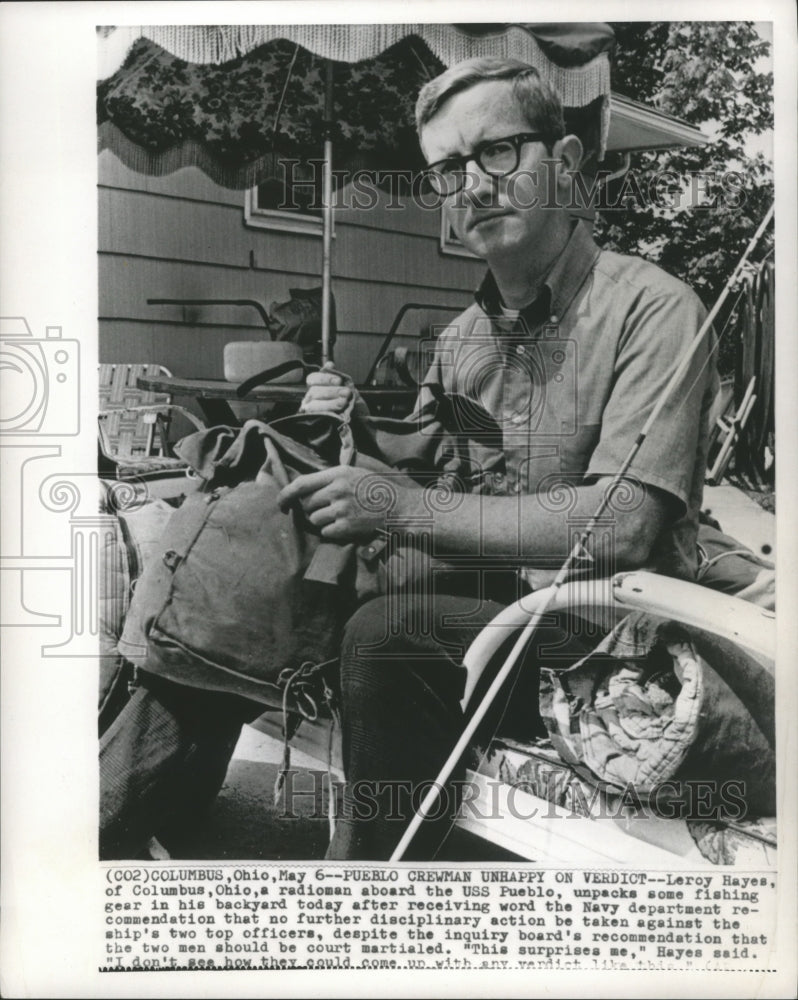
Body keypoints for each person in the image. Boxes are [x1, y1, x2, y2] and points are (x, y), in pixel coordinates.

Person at [100, 56, 717, 862]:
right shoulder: (463, 338)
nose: (474, 184)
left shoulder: (653, 307)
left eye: (499, 151)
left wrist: (397, 506)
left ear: (564, 166)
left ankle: (368, 910)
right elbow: (431, 469)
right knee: (241, 554)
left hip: (601, 636)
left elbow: (622, 527)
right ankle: (114, 823)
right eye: (450, 168)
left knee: (391, 632)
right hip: (485, 600)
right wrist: (351, 426)